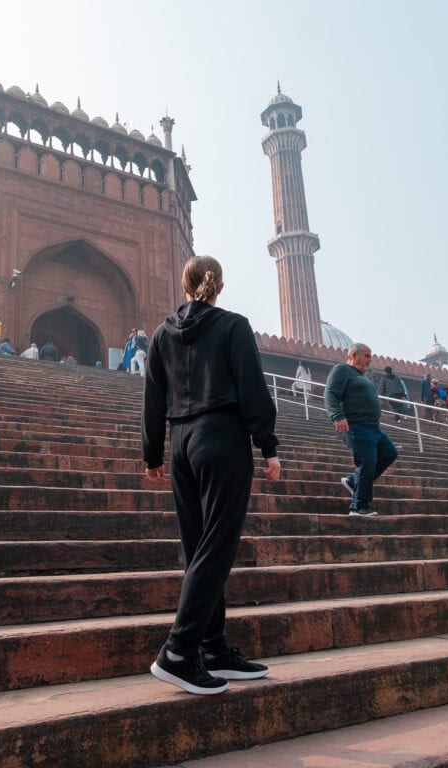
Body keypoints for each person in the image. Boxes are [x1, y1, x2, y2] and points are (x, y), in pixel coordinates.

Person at [142, 255, 281, 696]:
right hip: (220, 437)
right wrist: (269, 445)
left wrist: (152, 453)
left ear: (185, 285)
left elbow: (152, 396)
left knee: (197, 546)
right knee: (217, 545)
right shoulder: (233, 325)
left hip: (180, 441)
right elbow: (252, 388)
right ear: (218, 285)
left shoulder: (162, 334)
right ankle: (179, 651)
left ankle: (214, 646)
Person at [325, 343, 398, 517]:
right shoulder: (341, 370)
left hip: (374, 428)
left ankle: (352, 481)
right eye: (366, 355)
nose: (370, 359)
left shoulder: (364, 377)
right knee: (367, 462)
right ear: (354, 355)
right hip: (355, 425)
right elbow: (330, 394)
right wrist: (337, 416)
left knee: (389, 453)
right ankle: (358, 507)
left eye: (370, 355)